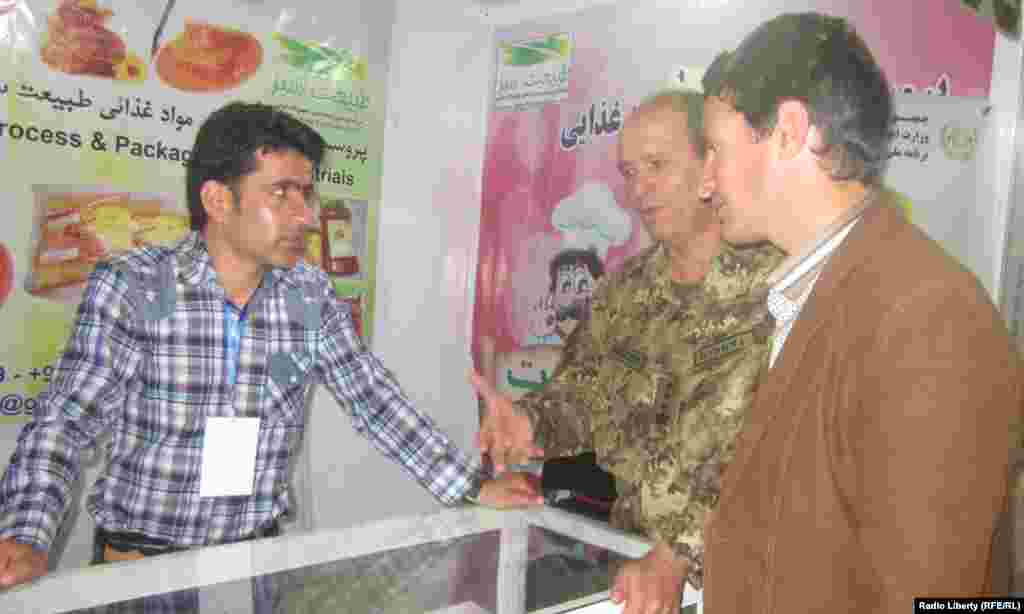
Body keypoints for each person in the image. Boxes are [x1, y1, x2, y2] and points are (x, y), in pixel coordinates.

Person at [0, 101, 540, 589]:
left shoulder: (309, 295)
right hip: (142, 573)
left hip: (254, 568)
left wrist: (470, 486)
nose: (305, 216)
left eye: (306, 194)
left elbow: (374, 401)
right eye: (282, 193)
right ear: (216, 199)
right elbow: (65, 423)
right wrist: (25, 535)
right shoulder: (134, 286)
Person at [699, 12, 1022, 611]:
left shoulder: (926, 317)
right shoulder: (818, 293)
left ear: (790, 131)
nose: (705, 183)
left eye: (716, 151)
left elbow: (930, 599)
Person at [475, 89, 784, 614]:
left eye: (658, 166)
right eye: (630, 173)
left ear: (710, 163)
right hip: (635, 570)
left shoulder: (780, 285)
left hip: (747, 578)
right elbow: (583, 396)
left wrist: (677, 552)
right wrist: (529, 423)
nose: (640, 191)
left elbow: (763, 448)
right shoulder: (624, 292)